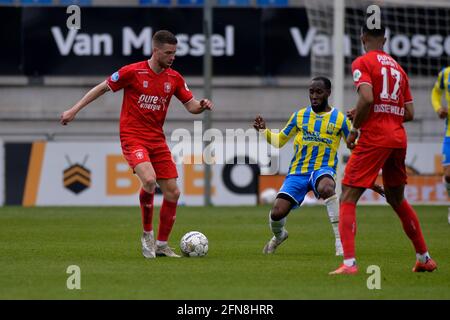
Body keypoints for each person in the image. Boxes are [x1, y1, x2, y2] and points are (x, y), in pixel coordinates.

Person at [60, 30, 213, 259]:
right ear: (156, 51)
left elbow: (190, 106)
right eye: (168, 53)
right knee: (149, 180)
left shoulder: (174, 78)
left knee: (173, 192)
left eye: (175, 53)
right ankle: (147, 234)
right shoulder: (132, 72)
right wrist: (74, 110)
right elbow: (101, 87)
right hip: (133, 137)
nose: (172, 57)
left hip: (157, 139)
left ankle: (162, 245)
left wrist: (201, 105)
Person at [329, 23, 437, 275]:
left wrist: (355, 126)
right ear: (385, 40)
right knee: (397, 199)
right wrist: (379, 112)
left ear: (363, 37)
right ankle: (424, 257)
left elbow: (366, 97)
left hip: (375, 137)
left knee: (347, 195)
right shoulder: (399, 69)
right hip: (398, 138)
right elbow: (408, 113)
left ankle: (349, 264)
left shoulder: (362, 62)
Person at [253, 76, 354, 257]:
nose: (314, 96)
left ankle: (340, 242)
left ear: (328, 93)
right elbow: (279, 141)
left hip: (323, 169)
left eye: (319, 92)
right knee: (277, 213)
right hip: (298, 172)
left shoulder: (340, 119)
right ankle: (279, 235)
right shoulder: (299, 116)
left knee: (327, 187)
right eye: (311, 92)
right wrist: (263, 131)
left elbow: (354, 145)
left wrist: (358, 127)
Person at [431, 66, 450, 224]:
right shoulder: (445, 74)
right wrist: (438, 108)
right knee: (449, 175)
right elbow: (436, 92)